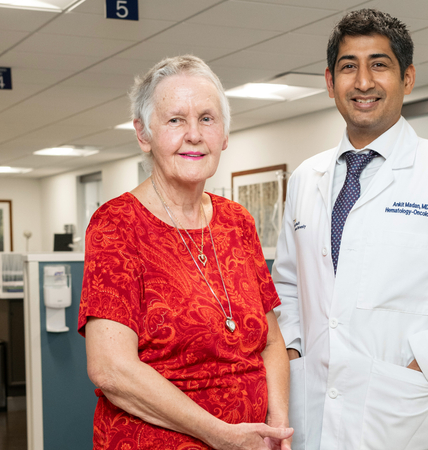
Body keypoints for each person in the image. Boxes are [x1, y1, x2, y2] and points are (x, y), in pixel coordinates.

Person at [272, 9, 428, 450]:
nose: (364, 82)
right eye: (349, 66)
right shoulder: (306, 178)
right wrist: (294, 350)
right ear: (331, 83)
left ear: (407, 78)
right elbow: (289, 284)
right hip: (312, 406)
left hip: (405, 410)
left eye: (380, 65)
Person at [79, 55, 293, 450]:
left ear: (225, 135)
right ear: (143, 134)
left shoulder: (237, 222)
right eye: (175, 120)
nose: (194, 134)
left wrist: (277, 425)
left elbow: (271, 342)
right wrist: (221, 436)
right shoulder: (116, 225)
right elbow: (111, 369)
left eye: (207, 119)